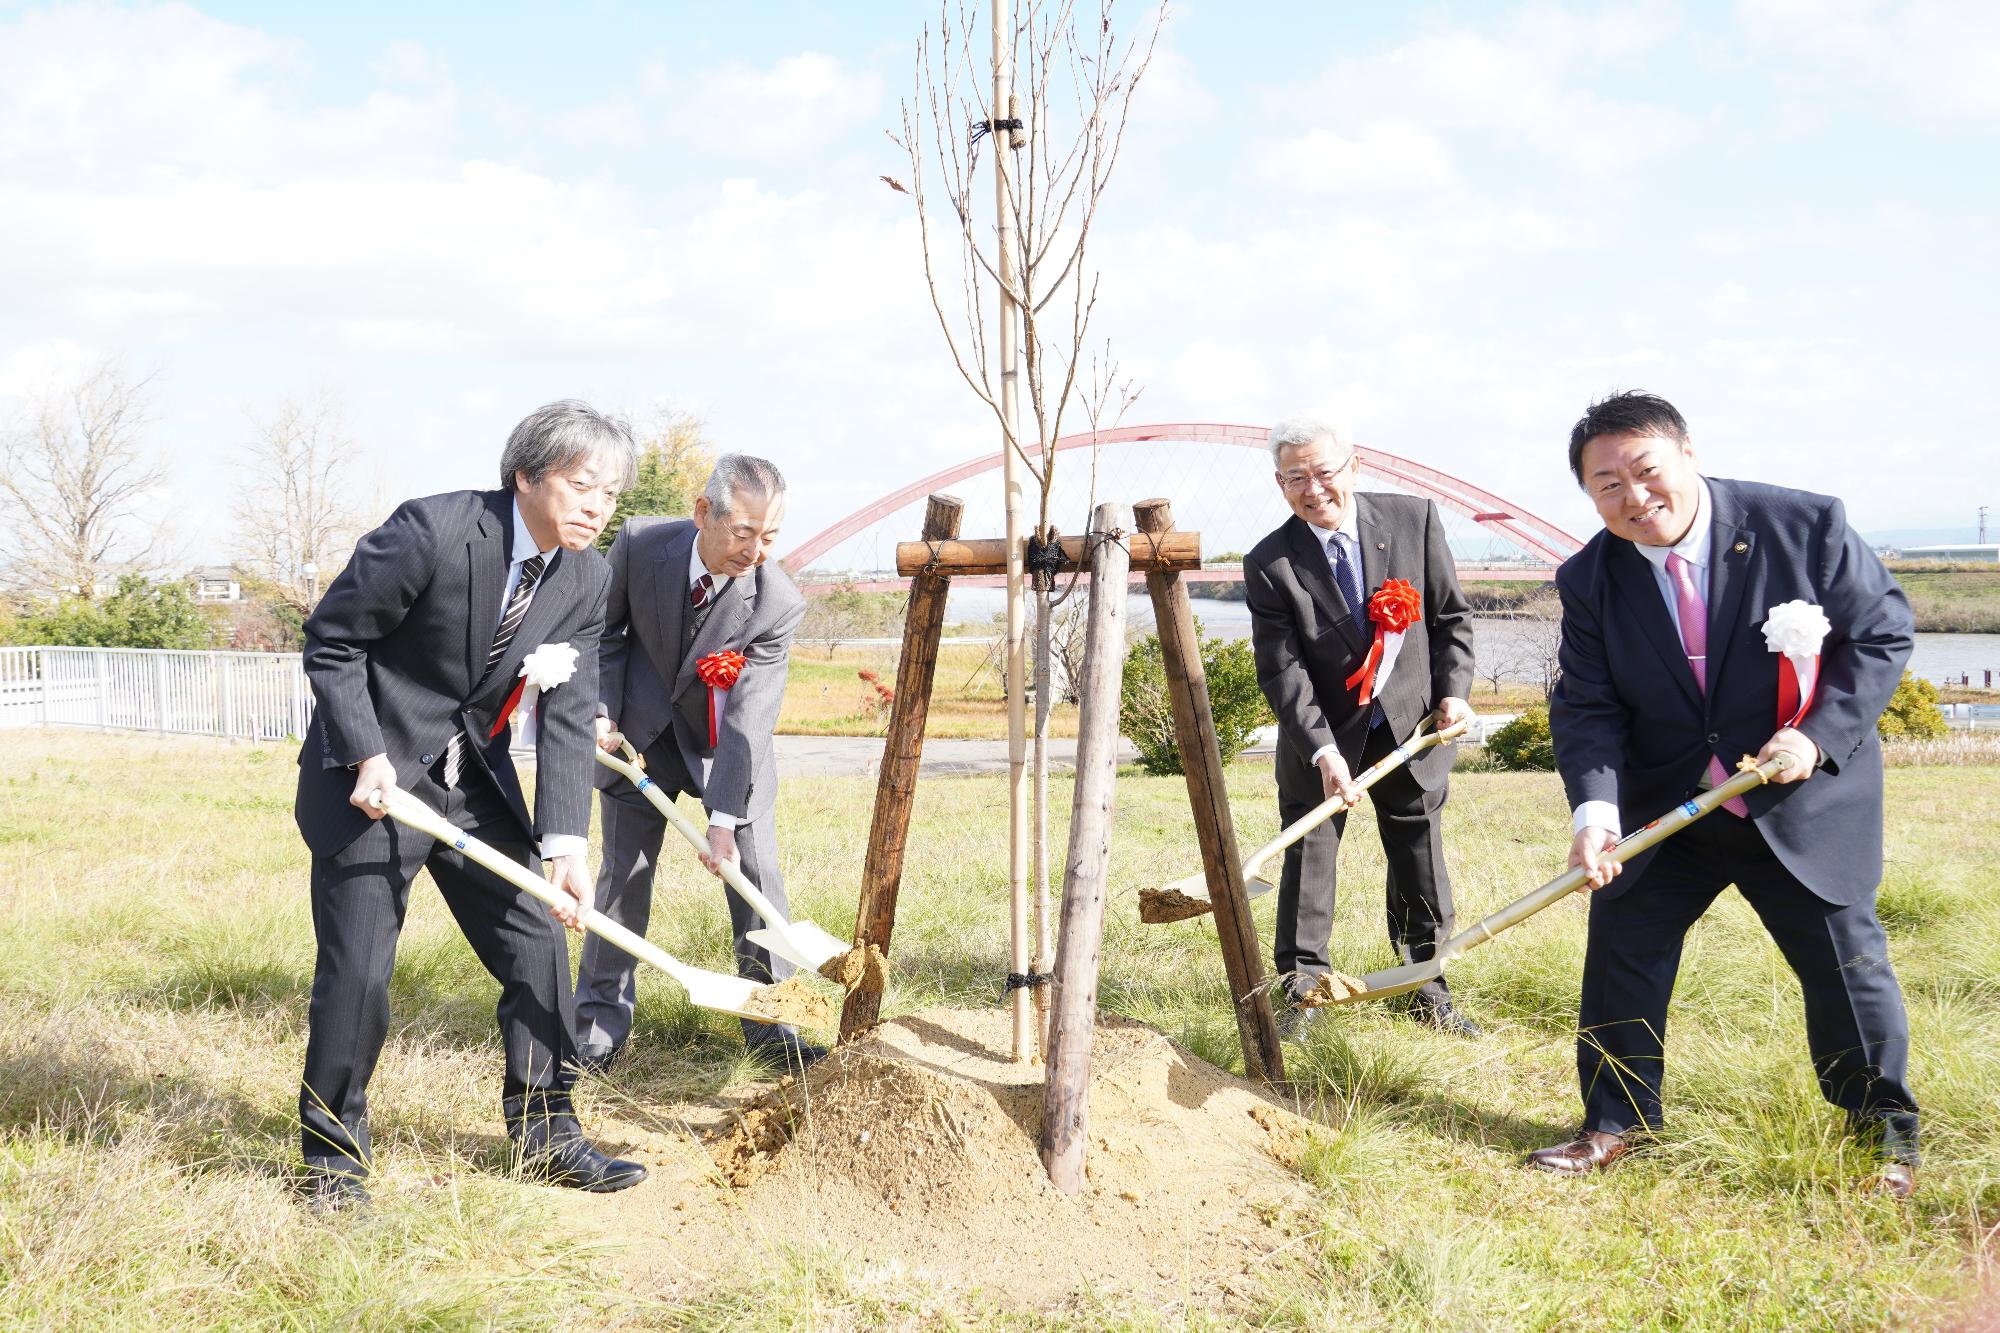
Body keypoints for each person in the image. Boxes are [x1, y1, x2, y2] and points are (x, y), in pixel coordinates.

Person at [1533, 390, 1919, 1197]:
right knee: (1622, 953)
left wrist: (1815, 736)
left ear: (1688, 454)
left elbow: (1881, 633)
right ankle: (1616, 1122)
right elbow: (1588, 706)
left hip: (1796, 797)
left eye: (1645, 471)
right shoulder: (1590, 578)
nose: (1634, 498)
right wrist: (1596, 811)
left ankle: (1884, 1137)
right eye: (1607, 486)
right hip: (1667, 805)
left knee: (1846, 968)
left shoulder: (1804, 526)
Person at [294, 400, 644, 1211]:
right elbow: (333, 640)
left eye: (611, 493)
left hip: (471, 782)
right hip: (372, 780)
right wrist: (366, 751)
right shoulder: (436, 532)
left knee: (536, 942)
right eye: (582, 483)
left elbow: (566, 706)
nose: (598, 505)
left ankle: (548, 1135)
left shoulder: (587, 576)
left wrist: (565, 845)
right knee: (360, 973)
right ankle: (334, 1162)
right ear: (526, 474)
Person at [578, 454, 818, 1070]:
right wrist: (602, 711)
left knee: (754, 879)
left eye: (769, 537)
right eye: (743, 533)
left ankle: (775, 1026)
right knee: (623, 879)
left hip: (726, 753)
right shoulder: (638, 544)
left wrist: (725, 820)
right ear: (702, 513)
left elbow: (749, 718)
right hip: (640, 742)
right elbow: (604, 635)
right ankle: (598, 1029)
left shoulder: (776, 603)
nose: (755, 551)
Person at [1242, 416, 1478, 1039]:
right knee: (1310, 855)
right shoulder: (1269, 563)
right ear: (1280, 483)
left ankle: (1425, 984)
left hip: (1411, 727)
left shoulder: (1413, 520)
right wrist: (1321, 751)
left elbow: (1451, 619)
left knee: (1418, 853)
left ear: (1352, 466)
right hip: (1320, 740)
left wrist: (1453, 697)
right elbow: (1284, 672)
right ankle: (1302, 990)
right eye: (1296, 477)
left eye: (1324, 471)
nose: (1313, 488)